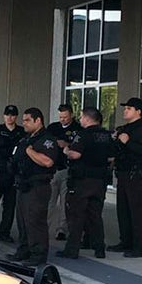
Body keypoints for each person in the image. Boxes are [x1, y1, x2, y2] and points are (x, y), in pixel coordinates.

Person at [57, 107, 114, 259]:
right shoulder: (106, 135)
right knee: (95, 215)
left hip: (82, 181)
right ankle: (99, 248)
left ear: (88, 119)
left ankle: (72, 250)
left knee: (76, 215)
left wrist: (66, 150)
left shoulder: (82, 135)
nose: (80, 120)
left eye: (82, 117)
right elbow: (111, 157)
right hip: (100, 181)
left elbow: (75, 154)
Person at [7, 108, 59, 266]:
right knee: (22, 221)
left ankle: (38, 255)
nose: (24, 123)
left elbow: (47, 161)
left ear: (38, 121)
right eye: (23, 120)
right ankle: (24, 250)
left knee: (35, 221)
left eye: (28, 120)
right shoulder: (26, 138)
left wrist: (30, 152)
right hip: (23, 184)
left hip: (38, 185)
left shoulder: (47, 140)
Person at [109, 97, 142, 258]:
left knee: (137, 211)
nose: (125, 110)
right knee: (123, 210)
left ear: (138, 112)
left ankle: (140, 247)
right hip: (123, 173)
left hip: (137, 174)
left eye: (129, 108)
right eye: (125, 108)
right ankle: (126, 242)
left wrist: (128, 142)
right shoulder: (124, 128)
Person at [46, 104, 81, 242]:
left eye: (65, 117)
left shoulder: (77, 129)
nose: (62, 120)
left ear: (71, 115)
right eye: (60, 117)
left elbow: (81, 147)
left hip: (68, 170)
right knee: (49, 201)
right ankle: (44, 228)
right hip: (53, 170)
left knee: (65, 202)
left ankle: (62, 230)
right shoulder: (53, 128)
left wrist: (67, 145)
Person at [0, 105, 24, 242]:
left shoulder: (21, 132)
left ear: (16, 116)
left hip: (13, 173)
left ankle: (5, 233)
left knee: (9, 205)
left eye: (13, 115)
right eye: (8, 115)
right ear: (4, 116)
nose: (10, 117)